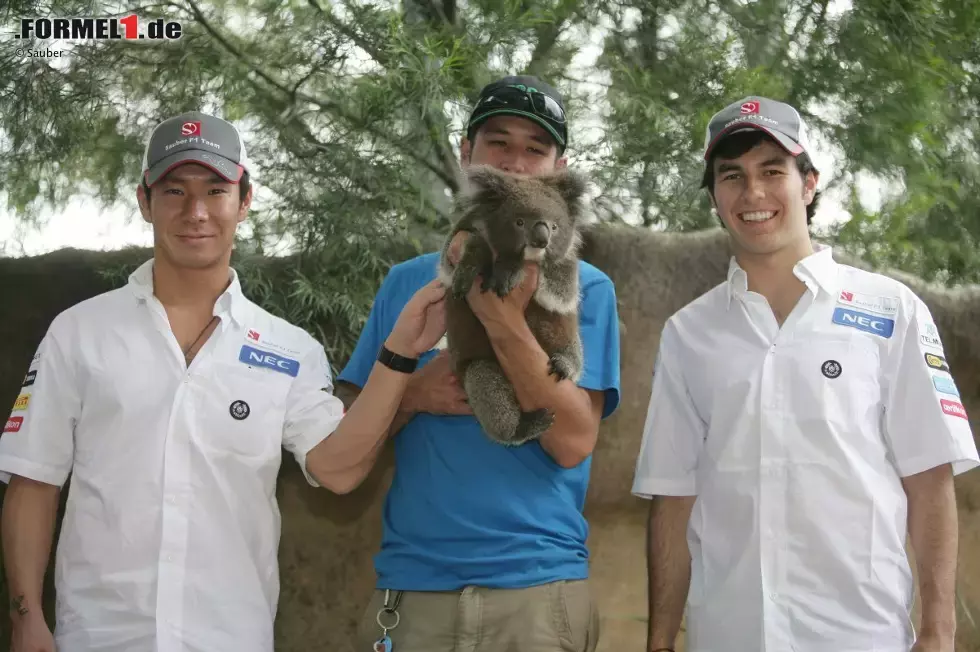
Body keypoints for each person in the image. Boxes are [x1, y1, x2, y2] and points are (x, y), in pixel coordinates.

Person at [0, 111, 449, 652]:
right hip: (98, 636)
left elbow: (339, 470)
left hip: (231, 638)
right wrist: (26, 618)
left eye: (215, 190)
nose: (196, 213)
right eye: (174, 191)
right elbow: (33, 482)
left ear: (244, 199)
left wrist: (398, 354)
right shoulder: (78, 333)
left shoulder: (288, 349)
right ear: (145, 201)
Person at [631, 95, 980, 652]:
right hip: (727, 636)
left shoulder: (892, 311)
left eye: (773, 171)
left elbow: (929, 478)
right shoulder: (687, 333)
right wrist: (659, 641)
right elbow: (673, 500)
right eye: (732, 176)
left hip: (861, 636)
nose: (754, 193)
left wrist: (939, 630)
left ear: (809, 183)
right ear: (716, 197)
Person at [334, 75, 622, 651]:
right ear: (468, 156)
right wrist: (413, 394)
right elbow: (344, 451)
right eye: (498, 142)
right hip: (415, 590)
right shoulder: (407, 284)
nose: (516, 162)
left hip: (538, 589)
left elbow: (571, 442)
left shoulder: (587, 286)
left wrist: (502, 319)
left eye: (535, 150)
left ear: (559, 168)